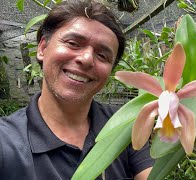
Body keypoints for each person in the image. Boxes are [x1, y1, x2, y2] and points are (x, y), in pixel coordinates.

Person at [0, 0, 154, 179]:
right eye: (73, 43)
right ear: (42, 48)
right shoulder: (6, 141)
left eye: (102, 55)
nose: (87, 58)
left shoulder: (124, 125)